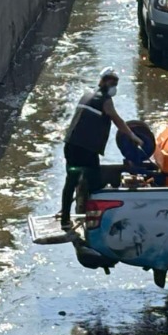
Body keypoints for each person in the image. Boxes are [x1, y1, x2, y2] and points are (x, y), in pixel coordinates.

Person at [61, 70, 137, 228]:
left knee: (71, 181)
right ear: (104, 82)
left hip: (70, 145)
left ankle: (65, 219)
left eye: (116, 84)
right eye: (112, 83)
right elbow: (118, 121)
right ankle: (97, 221)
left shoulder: (87, 94)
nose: (114, 87)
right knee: (95, 182)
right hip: (86, 150)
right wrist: (133, 136)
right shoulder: (105, 100)